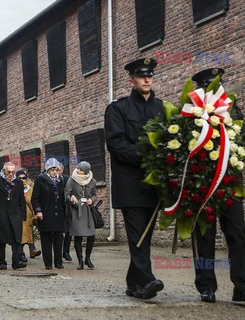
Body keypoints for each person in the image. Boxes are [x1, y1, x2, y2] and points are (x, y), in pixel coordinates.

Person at [190, 68, 245, 303]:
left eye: (217, 86)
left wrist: (234, 158)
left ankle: (241, 287)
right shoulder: (191, 116)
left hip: (230, 185)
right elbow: (182, 150)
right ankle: (206, 287)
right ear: (200, 89)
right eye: (210, 87)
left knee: (237, 235)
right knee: (204, 238)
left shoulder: (233, 111)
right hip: (203, 188)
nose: (215, 91)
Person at [104, 58, 164, 299]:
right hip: (130, 184)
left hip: (154, 185)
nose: (147, 79)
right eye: (141, 76)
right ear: (132, 80)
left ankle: (132, 283)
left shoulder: (162, 108)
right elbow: (116, 144)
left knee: (144, 236)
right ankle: (147, 282)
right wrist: (149, 156)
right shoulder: (118, 109)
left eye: (149, 75)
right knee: (138, 233)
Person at [31, 158, 66, 270]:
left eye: (56, 169)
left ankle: (58, 262)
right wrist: (38, 211)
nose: (55, 172)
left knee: (58, 239)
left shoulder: (61, 181)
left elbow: (62, 197)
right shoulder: (41, 180)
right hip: (45, 213)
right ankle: (48, 263)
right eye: (52, 170)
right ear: (47, 170)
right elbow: (35, 198)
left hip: (58, 214)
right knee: (46, 240)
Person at [0, 162, 26, 270]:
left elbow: (22, 200)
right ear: (4, 171)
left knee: (16, 239)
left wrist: (23, 215)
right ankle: (1, 262)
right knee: (1, 240)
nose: (11, 174)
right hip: (0, 214)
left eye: (13, 172)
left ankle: (16, 261)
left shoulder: (18, 182)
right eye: (8, 172)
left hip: (15, 214)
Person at [65, 161, 97, 270]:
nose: (77, 170)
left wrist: (91, 200)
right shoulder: (72, 179)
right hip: (76, 210)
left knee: (91, 236)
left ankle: (88, 258)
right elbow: (67, 194)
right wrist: (72, 199)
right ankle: (80, 261)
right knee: (78, 236)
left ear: (86, 172)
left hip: (88, 211)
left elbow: (94, 195)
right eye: (78, 168)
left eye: (80, 169)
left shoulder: (92, 181)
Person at [16, 169, 41, 260]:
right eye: (20, 178)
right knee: (21, 236)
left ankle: (31, 250)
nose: (22, 180)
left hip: (28, 216)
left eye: (24, 178)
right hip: (19, 215)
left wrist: (35, 214)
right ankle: (21, 254)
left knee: (29, 235)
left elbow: (32, 202)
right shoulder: (14, 188)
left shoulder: (29, 189)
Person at [59, 164, 72, 262]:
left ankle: (66, 252)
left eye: (59, 170)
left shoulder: (67, 179)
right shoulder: (51, 181)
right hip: (57, 210)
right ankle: (58, 253)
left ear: (62, 170)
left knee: (68, 232)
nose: (57, 172)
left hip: (67, 209)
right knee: (58, 233)